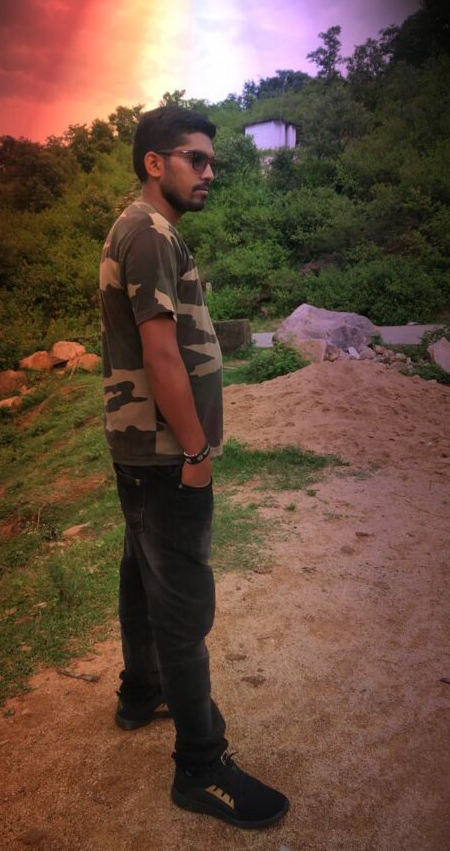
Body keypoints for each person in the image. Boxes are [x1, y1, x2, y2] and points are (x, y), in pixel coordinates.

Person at [99, 106, 289, 829]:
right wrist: (197, 452)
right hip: (164, 451)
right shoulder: (148, 233)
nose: (210, 171)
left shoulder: (145, 228)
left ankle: (140, 691)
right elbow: (161, 354)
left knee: (141, 571)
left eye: (212, 161)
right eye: (196, 159)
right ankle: (201, 766)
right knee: (181, 605)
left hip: (143, 449)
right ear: (156, 163)